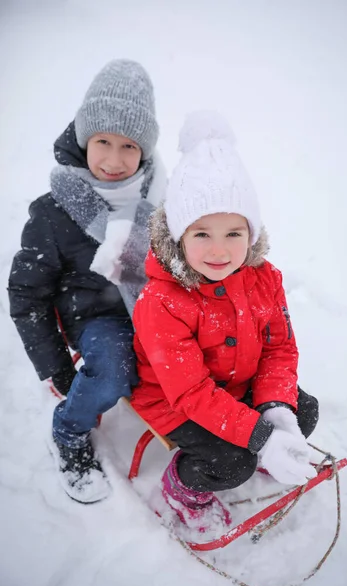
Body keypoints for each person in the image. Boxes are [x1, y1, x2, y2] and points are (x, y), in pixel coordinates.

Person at [132, 110, 319, 529]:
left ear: (251, 234)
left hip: (237, 382)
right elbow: (191, 392)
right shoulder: (161, 300)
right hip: (174, 399)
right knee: (232, 463)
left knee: (302, 413)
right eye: (202, 234)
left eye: (233, 233)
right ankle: (182, 490)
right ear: (179, 235)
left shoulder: (263, 278)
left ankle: (266, 448)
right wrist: (257, 438)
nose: (220, 251)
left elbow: (278, 348)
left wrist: (274, 408)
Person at [8, 59, 166, 504]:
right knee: (113, 371)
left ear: (145, 151)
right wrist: (57, 367)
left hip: (156, 306)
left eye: (129, 147)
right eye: (103, 142)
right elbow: (27, 294)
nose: (114, 161)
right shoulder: (54, 210)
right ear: (84, 138)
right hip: (96, 314)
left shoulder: (161, 198)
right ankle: (70, 431)